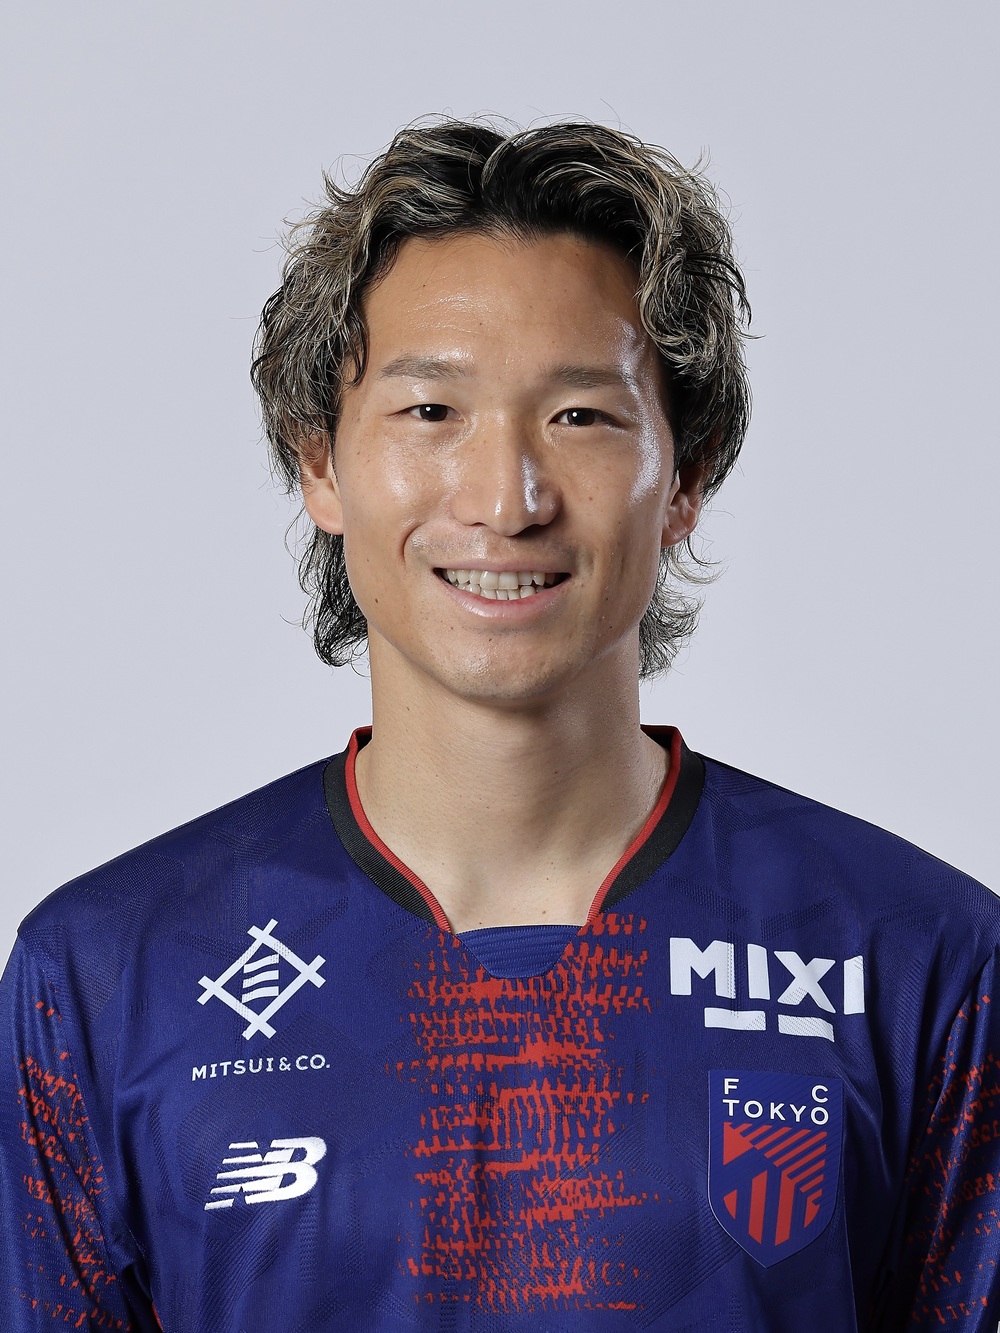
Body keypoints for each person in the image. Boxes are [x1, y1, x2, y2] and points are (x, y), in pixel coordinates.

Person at [1, 117, 998, 1333]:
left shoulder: (919, 959)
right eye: (430, 410)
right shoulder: (108, 976)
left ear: (687, 475)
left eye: (580, 416)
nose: (505, 499)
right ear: (320, 463)